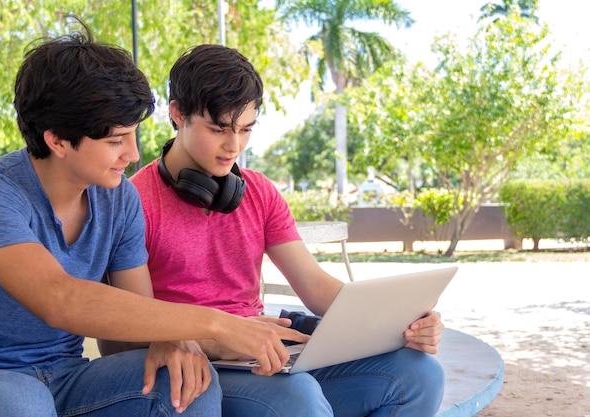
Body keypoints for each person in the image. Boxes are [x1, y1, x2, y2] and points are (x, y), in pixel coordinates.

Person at [0, 19, 309, 417]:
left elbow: (138, 314)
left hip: (71, 375)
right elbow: (58, 298)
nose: (132, 154)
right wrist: (217, 324)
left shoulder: (119, 198)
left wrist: (170, 339)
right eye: (115, 141)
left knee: (188, 380)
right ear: (56, 139)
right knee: (21, 406)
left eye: (133, 135)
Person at [128, 43, 446, 417]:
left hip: (261, 353)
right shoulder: (134, 200)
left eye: (246, 129)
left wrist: (403, 320)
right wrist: (220, 337)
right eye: (218, 129)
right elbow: (128, 327)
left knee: (419, 375)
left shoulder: (259, 192)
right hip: (198, 364)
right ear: (178, 114)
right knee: (298, 398)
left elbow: (316, 287)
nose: (234, 146)